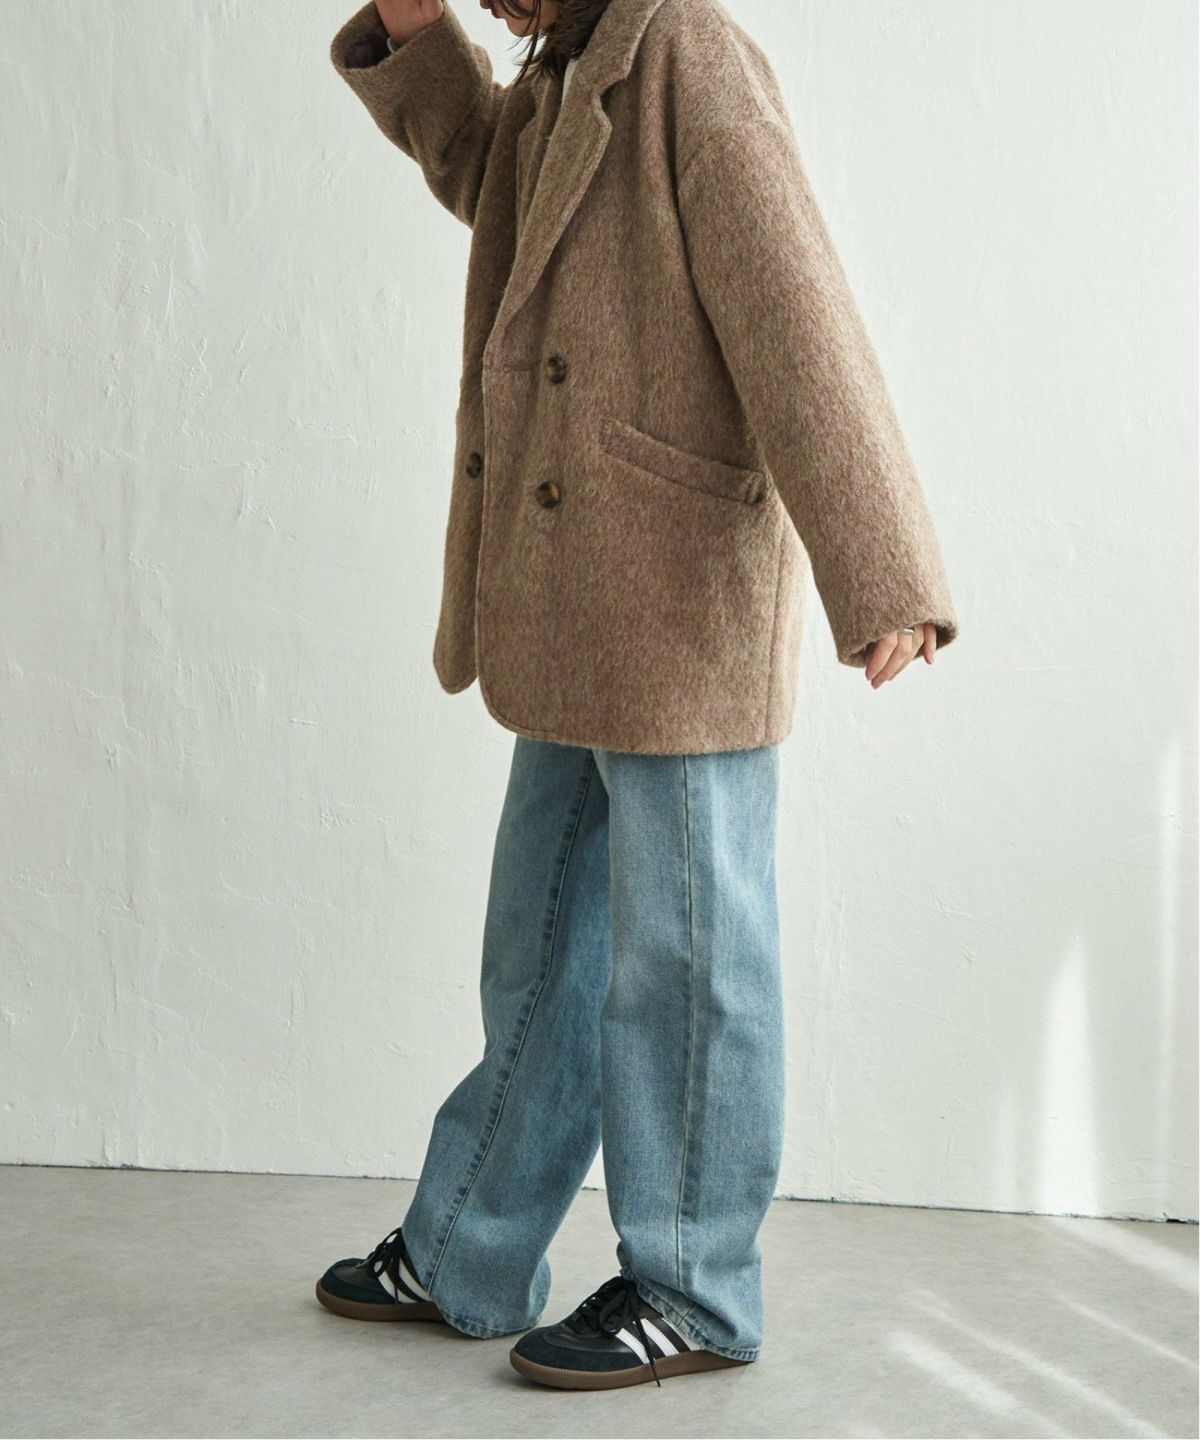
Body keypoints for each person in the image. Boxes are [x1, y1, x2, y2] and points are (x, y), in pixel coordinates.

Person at [318, 0, 960, 1391]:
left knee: (689, 967)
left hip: (676, 597)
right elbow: (498, 194)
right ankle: (470, 1246)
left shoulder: (689, 58)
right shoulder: (565, 67)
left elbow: (797, 310)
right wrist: (417, 33)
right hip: (573, 595)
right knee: (538, 946)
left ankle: (694, 1285)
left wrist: (884, 572)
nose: (492, 3)